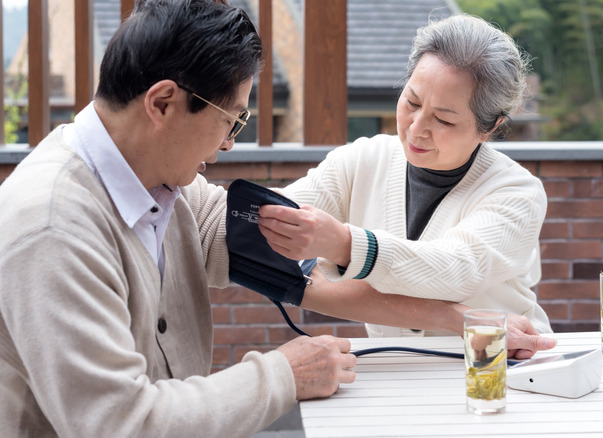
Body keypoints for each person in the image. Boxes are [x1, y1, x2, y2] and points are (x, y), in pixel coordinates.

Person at [0, 1, 355, 436]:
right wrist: (284, 375)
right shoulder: (53, 230)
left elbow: (270, 242)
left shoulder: (160, 180)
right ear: (164, 103)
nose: (227, 145)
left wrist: (359, 250)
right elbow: (122, 423)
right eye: (231, 120)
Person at [258, 14, 555, 358]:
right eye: (412, 102)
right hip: (396, 368)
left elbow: (454, 270)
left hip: (507, 367)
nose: (416, 128)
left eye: (443, 119)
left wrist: (344, 245)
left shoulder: (517, 193)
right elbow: (271, 221)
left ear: (489, 127)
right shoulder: (362, 160)